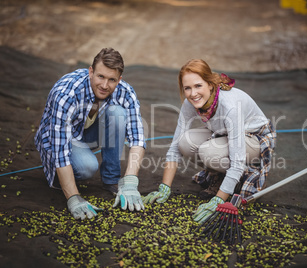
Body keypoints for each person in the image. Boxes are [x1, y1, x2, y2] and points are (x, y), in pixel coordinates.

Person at [143, 59, 276, 223]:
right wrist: (164, 187)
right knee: (185, 142)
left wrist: (218, 200)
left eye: (198, 86)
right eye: (188, 88)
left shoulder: (229, 107)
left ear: (210, 84)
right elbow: (175, 147)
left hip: (255, 140)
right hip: (224, 135)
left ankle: (241, 177)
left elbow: (237, 161)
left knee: (208, 151)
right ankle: (221, 178)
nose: (193, 93)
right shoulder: (190, 103)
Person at [35, 48, 146, 220]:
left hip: (87, 129)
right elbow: (60, 150)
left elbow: (137, 137)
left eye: (111, 80)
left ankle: (111, 180)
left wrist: (131, 181)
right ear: (91, 71)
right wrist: (73, 198)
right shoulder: (67, 94)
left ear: (119, 80)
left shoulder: (125, 92)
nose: (104, 85)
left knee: (118, 113)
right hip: (61, 138)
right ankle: (61, 179)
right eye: (100, 76)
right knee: (87, 167)